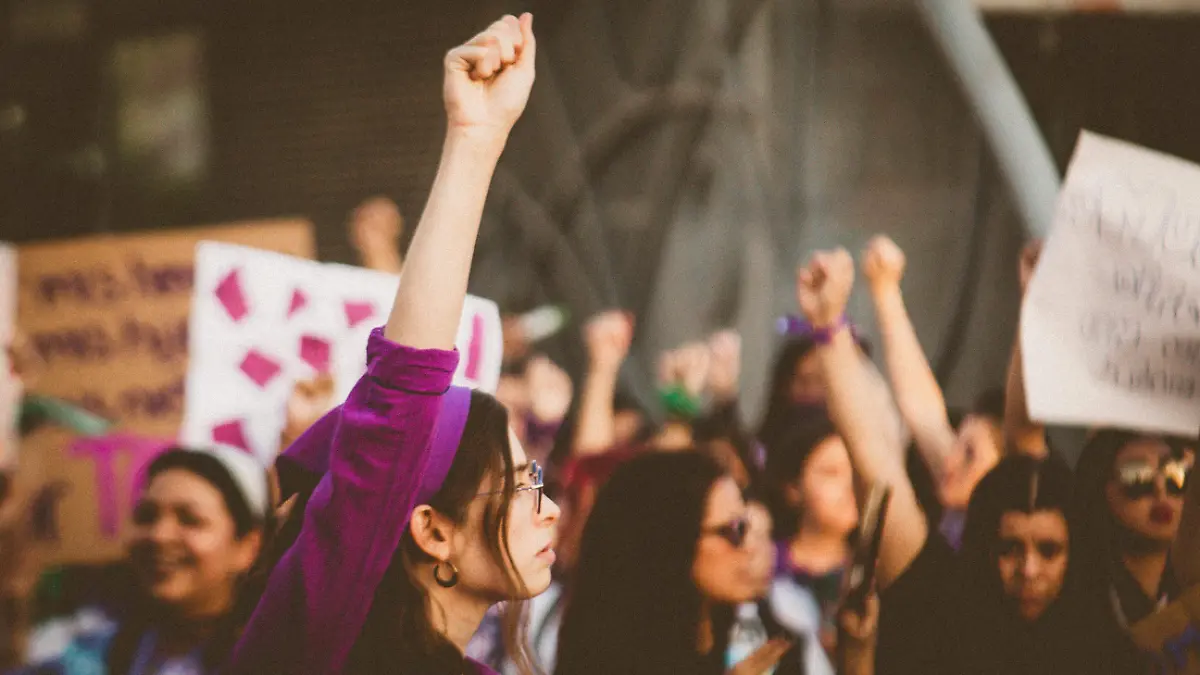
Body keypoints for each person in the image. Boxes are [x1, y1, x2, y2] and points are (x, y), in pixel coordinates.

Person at [225, 15, 557, 675]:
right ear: (433, 529)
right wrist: (473, 141)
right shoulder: (317, 647)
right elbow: (404, 387)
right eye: (523, 485)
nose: (553, 509)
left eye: (538, 479)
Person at [14, 445, 270, 674]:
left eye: (190, 519)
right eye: (146, 515)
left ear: (247, 546)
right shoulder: (87, 648)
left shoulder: (271, 660)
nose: (158, 536)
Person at [555, 451, 790, 675]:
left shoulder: (728, 629)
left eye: (745, 526)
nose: (751, 547)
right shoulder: (616, 657)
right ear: (671, 542)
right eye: (733, 531)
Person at [1070, 430, 1196, 674]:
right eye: (1138, 477)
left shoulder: (1193, 592)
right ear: (1100, 489)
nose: (1161, 491)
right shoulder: (1075, 599)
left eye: (1174, 474)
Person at [763, 418, 858, 675]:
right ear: (793, 488)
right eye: (831, 472)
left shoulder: (871, 573)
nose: (850, 486)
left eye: (855, 471)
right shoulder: (763, 566)